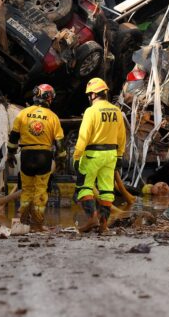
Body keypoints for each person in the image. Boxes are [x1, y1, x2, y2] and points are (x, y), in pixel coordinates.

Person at [6, 84, 64, 232]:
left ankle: (23, 222)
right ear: (49, 98)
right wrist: (61, 160)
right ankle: (37, 224)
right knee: (41, 191)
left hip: (26, 155)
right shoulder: (53, 117)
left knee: (26, 189)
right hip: (44, 156)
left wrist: (10, 154)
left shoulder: (23, 113)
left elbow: (13, 137)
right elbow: (59, 143)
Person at [73, 77, 126, 233]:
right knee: (107, 191)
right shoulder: (117, 111)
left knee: (84, 187)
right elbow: (122, 136)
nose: (89, 98)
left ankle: (92, 219)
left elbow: (84, 135)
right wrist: (120, 156)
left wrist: (77, 156)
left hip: (92, 155)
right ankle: (104, 225)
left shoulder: (91, 111)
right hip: (110, 155)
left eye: (90, 95)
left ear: (93, 95)